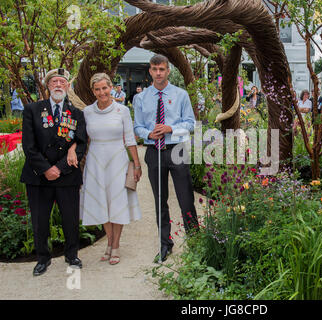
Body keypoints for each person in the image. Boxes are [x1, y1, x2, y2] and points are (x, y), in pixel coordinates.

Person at [67, 73, 142, 265]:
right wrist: (73, 149)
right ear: (93, 91)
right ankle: (109, 243)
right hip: (96, 161)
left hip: (117, 159)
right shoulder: (88, 112)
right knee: (102, 203)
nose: (102, 92)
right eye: (98, 89)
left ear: (111, 87)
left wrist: (137, 164)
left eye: (105, 88)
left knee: (117, 203)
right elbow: (81, 138)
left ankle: (115, 246)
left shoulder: (122, 110)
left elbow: (130, 139)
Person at [20, 68, 87, 276]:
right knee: (40, 220)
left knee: (70, 218)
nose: (58, 85)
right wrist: (47, 169)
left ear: (68, 87)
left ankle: (71, 254)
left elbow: (81, 144)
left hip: (66, 176)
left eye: (62, 82)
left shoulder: (77, 114)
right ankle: (43, 258)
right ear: (48, 86)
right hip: (39, 176)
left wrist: (59, 168)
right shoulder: (32, 110)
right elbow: (29, 146)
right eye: (54, 82)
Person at [134, 54, 199, 262]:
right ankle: (165, 244)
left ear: (168, 70)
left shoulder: (180, 95)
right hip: (154, 150)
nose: (158, 73)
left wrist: (171, 128)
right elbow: (137, 127)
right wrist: (148, 134)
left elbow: (190, 124)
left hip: (176, 149)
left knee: (186, 198)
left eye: (162, 69)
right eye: (154, 69)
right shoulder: (141, 98)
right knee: (160, 200)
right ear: (150, 71)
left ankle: (195, 243)